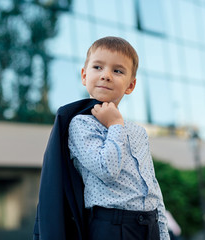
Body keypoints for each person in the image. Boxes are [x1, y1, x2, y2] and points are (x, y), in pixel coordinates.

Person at [68, 36, 170, 240]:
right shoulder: (81, 124)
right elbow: (107, 170)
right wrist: (115, 125)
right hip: (112, 226)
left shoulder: (138, 132)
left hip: (148, 224)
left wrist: (163, 233)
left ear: (130, 85)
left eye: (117, 71)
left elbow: (151, 185)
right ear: (84, 75)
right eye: (98, 67)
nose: (106, 75)